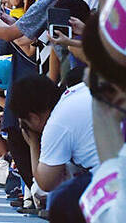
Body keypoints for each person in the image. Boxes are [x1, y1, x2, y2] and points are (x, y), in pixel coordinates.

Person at [10, 74, 100, 223]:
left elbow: (45, 184)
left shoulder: (55, 124)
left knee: (64, 201)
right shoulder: (75, 92)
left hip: (117, 176)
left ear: (33, 118)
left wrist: (33, 143)